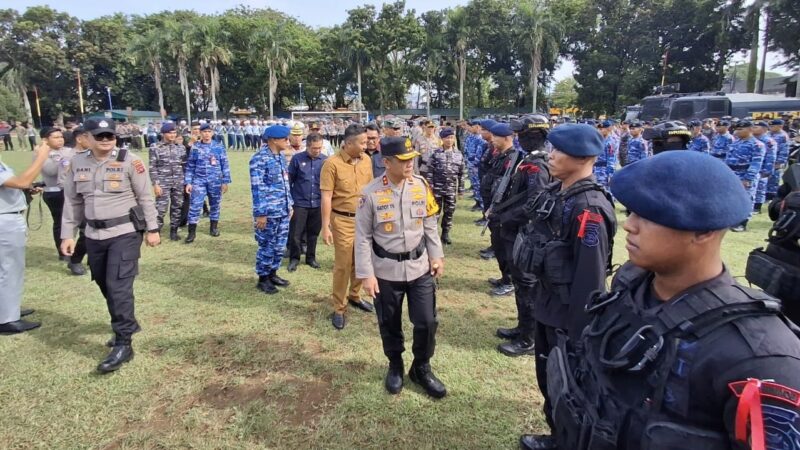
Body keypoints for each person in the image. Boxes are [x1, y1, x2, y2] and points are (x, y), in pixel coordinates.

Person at [522, 150, 800, 450]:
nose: (630, 225)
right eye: (631, 212)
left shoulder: (761, 357)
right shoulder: (631, 283)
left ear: (704, 231)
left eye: (650, 215)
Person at [513, 124, 616, 447]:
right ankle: (557, 435)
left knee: (566, 386)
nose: (551, 156)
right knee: (549, 380)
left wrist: (578, 333)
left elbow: (590, 280)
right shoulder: (560, 193)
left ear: (583, 157)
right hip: (547, 305)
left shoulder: (589, 207)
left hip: (567, 317)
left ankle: (564, 440)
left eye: (559, 151)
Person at [60, 119, 160, 373]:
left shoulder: (130, 160)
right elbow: (72, 202)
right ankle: (126, 323)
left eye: (110, 136)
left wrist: (153, 229)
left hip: (124, 232)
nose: (106, 140)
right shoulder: (77, 162)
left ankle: (124, 343)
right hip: (93, 234)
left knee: (118, 286)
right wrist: (67, 234)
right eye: (100, 136)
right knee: (105, 283)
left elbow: (145, 196)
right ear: (87, 137)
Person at [354, 136, 446, 398]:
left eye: (412, 159)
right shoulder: (369, 194)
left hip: (420, 268)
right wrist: (366, 274)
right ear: (386, 162)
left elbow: (429, 223)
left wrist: (436, 256)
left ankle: (421, 367)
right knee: (390, 322)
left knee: (427, 321)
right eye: (403, 160)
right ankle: (395, 365)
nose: (410, 164)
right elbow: (362, 238)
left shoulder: (421, 185)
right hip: (385, 271)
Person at [492, 115, 551, 356]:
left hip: (524, 234)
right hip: (515, 232)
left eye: (522, 135)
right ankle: (522, 327)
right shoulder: (528, 160)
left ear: (531, 136)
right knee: (520, 284)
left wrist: (505, 218)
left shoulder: (538, 166)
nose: (518, 139)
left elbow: (533, 204)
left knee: (527, 286)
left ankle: (528, 339)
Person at [320, 124, 375, 330]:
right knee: (343, 265)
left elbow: (371, 190)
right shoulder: (331, 164)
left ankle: (355, 295)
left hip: (364, 219)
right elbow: (326, 197)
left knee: (361, 261)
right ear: (349, 143)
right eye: (362, 142)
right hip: (342, 220)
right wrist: (326, 226)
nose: (366, 145)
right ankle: (339, 307)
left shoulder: (367, 160)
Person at [0, 142, 50, 334]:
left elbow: (13, 186)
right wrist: (41, 157)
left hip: (7, 217)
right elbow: (20, 181)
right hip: (4, 221)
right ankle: (7, 319)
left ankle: (7, 309)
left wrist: (25, 190)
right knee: (10, 269)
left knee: (7, 268)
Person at [250, 125, 293, 294]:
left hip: (282, 210)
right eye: (285, 139)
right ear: (273, 140)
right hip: (268, 212)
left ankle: (273, 274)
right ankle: (263, 278)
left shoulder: (280, 158)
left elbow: (285, 184)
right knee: (267, 245)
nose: (287, 142)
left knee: (279, 245)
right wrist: (261, 213)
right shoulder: (259, 159)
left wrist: (289, 204)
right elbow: (257, 188)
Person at [484, 122, 521, 296]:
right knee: (497, 245)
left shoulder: (513, 158)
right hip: (495, 207)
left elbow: (509, 187)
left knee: (504, 248)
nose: (493, 140)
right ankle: (504, 277)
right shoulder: (501, 155)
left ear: (506, 138)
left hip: (503, 210)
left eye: (496, 137)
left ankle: (509, 281)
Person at [184, 123, 231, 243]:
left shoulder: (219, 147)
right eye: (204, 132)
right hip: (199, 181)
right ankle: (191, 233)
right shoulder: (195, 147)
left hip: (215, 180)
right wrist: (188, 182)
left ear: (213, 133)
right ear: (200, 133)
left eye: (209, 132)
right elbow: (190, 166)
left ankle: (213, 228)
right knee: (195, 206)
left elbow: (225, 165)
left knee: (215, 205)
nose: (207, 134)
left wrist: (225, 181)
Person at [287, 133, 327, 272]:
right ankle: (294, 258)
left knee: (313, 233)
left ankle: (311, 258)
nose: (317, 150)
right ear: (308, 146)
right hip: (299, 203)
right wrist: (289, 201)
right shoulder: (297, 159)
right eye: (314, 148)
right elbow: (289, 180)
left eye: (319, 148)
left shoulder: (325, 161)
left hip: (317, 203)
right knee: (296, 234)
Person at [149, 122, 186, 241]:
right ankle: (156, 231)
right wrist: (155, 184)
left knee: (177, 206)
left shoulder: (180, 147)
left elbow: (184, 165)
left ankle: (174, 231)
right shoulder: (155, 147)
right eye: (170, 133)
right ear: (163, 134)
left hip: (178, 181)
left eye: (174, 132)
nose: (172, 135)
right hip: (163, 182)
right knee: (160, 208)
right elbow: (152, 167)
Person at [725, 120, 765, 232]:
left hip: (745, 174)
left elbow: (756, 163)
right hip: (732, 173)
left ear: (750, 129)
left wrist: (748, 178)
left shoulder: (757, 144)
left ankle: (742, 223)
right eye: (737, 129)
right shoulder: (735, 143)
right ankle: (733, 220)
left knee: (746, 198)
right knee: (732, 198)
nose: (737, 131)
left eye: (741, 129)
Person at [427, 127, 465, 244]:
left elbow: (461, 173)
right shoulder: (435, 154)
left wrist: (461, 190)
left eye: (452, 138)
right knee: (435, 213)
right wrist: (430, 187)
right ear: (442, 139)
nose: (449, 140)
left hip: (451, 189)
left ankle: (445, 234)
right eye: (447, 138)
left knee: (449, 212)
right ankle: (432, 235)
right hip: (437, 189)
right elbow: (429, 171)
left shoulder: (458, 155)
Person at [752, 120, 778, 214]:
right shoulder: (752, 139)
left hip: (763, 167)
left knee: (760, 188)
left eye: (756, 127)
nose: (753, 128)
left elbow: (771, 157)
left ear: (764, 129)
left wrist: (767, 171)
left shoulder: (769, 141)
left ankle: (757, 207)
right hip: (752, 167)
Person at [768, 118, 791, 200]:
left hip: (777, 160)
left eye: (773, 126)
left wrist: (780, 162)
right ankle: (766, 195)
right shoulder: (768, 134)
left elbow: (784, 150)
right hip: (768, 160)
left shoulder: (783, 136)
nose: (770, 127)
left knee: (774, 178)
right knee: (767, 177)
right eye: (770, 126)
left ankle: (773, 196)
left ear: (780, 126)